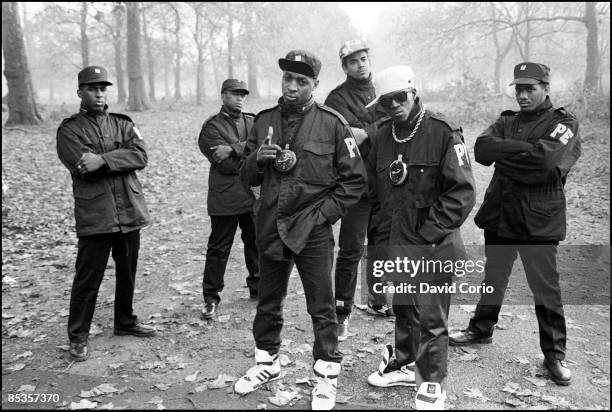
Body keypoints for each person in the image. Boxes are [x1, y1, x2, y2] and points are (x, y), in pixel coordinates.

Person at [233, 49, 367, 410]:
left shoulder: (333, 123)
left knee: (322, 306)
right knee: (268, 302)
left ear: (315, 85)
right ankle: (267, 363)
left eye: (302, 81)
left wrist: (324, 215)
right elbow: (245, 176)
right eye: (288, 79)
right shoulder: (263, 121)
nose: (292, 87)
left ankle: (325, 374)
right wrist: (256, 160)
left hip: (313, 229)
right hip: (272, 225)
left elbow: (354, 181)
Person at [449, 62, 581, 387]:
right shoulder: (507, 119)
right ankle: (481, 328)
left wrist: (506, 158)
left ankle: (554, 355)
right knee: (494, 276)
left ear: (546, 88)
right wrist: (525, 152)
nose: (522, 95)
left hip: (538, 220)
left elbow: (545, 162)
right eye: (518, 89)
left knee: (545, 288)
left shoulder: (564, 122)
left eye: (529, 89)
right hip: (501, 213)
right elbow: (481, 149)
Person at [364, 65, 476, 409]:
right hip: (397, 242)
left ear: (414, 93)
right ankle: (403, 360)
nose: (394, 105)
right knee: (404, 309)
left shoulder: (442, 131)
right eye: (386, 101)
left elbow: (462, 193)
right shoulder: (383, 135)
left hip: (433, 244)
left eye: (400, 97)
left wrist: (427, 234)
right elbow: (376, 194)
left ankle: (431, 382)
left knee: (432, 318)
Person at [56, 66, 155, 362]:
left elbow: (140, 155)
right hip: (95, 214)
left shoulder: (123, 123)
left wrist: (103, 160)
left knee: (128, 273)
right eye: (92, 88)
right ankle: (78, 335)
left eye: (103, 88)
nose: (99, 94)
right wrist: (111, 160)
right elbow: (83, 166)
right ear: (80, 93)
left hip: (128, 210)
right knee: (88, 278)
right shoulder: (69, 129)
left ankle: (124, 321)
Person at [324, 39, 392, 341]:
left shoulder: (384, 90)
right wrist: (364, 134)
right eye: (352, 61)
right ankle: (342, 311)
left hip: (388, 182)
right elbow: (340, 136)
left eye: (363, 58)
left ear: (369, 58)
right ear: (344, 67)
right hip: (356, 184)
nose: (360, 64)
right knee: (351, 249)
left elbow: (398, 125)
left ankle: (378, 301)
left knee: (382, 245)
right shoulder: (336, 98)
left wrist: (369, 132)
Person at [197, 78, 259, 319]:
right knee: (219, 248)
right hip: (225, 197)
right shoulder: (211, 127)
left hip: (252, 195)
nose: (240, 98)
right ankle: (211, 297)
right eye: (234, 94)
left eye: (243, 94)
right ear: (223, 96)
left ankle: (258, 289)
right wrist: (249, 153)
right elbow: (223, 164)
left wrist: (234, 148)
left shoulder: (253, 121)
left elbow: (263, 147)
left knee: (256, 243)